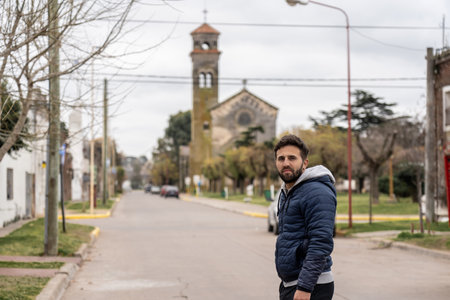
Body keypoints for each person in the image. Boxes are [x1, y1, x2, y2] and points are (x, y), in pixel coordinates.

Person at [274, 134, 336, 300]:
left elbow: (321, 242)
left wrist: (305, 287)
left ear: (305, 163)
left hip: (311, 286)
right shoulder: (289, 191)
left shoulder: (316, 192)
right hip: (292, 283)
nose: (286, 163)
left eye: (292, 158)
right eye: (281, 158)